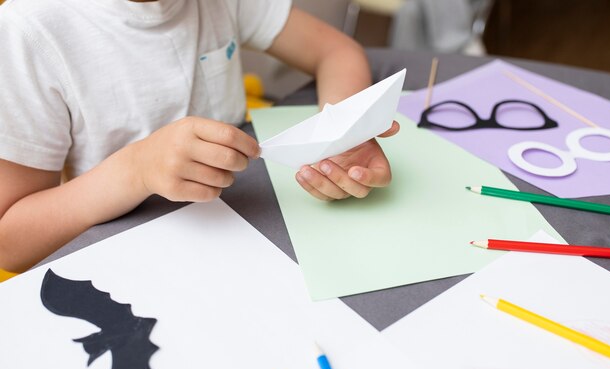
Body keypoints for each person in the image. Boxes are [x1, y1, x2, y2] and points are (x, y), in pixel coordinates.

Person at [0, 0, 399, 273]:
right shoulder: (29, 31)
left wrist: (341, 133)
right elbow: (11, 239)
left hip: (246, 228)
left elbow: (335, 51)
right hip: (130, 254)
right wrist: (135, 170)